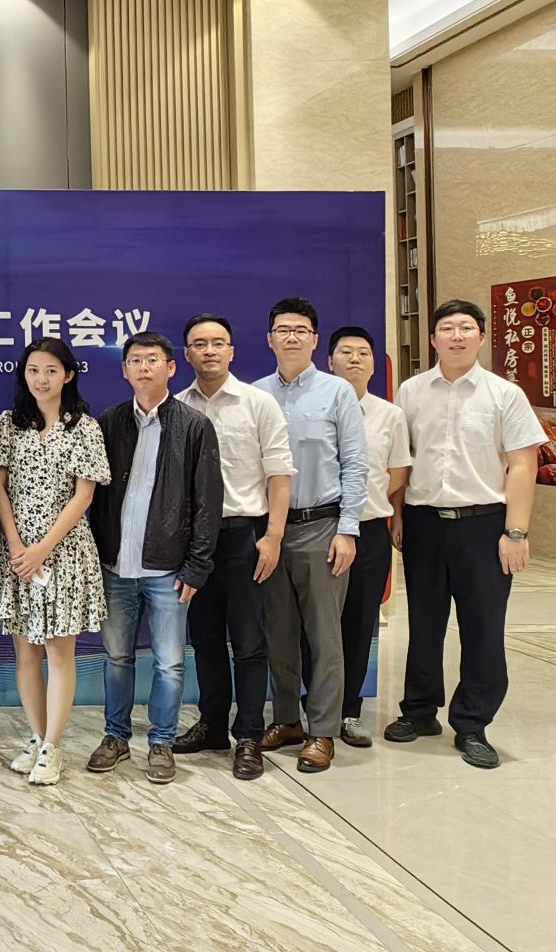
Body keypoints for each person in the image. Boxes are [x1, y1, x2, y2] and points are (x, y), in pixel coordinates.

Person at [386, 299, 544, 769]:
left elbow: (523, 464)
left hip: (484, 524)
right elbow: (402, 460)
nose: (457, 336)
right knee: (424, 621)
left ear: (482, 337)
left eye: (466, 328)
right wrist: (397, 514)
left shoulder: (504, 394)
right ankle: (419, 711)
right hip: (423, 522)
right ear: (433, 339)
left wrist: (516, 532)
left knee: (483, 627)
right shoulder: (411, 392)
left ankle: (473, 724)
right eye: (448, 328)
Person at [86, 331, 220, 785]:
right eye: (135, 361)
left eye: (152, 360)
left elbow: (207, 502)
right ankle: (115, 736)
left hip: (169, 570)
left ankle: (161, 742)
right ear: (124, 369)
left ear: (171, 367)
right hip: (115, 566)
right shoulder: (109, 422)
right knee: (116, 657)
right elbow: (93, 496)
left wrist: (197, 565)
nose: (143, 368)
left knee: (170, 662)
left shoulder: (194, 426)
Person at [0, 338, 110, 787]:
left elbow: (84, 495)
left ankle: (54, 747)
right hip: (16, 554)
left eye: (51, 370)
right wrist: (18, 544)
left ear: (68, 375)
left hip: (64, 553)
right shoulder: (9, 423)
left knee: (59, 651)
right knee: (25, 652)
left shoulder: (83, 427)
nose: (42, 378)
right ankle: (37, 739)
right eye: (34, 370)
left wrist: (42, 548)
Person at [172, 314, 293, 780]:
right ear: (186, 354)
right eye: (199, 343)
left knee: (249, 641)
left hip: (247, 535)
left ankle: (248, 736)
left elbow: (279, 474)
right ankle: (212, 725)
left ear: (232, 351)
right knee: (204, 638)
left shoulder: (259, 403)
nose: (209, 351)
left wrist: (273, 536)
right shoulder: (176, 407)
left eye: (218, 343)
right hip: (195, 543)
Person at [253, 297, 367, 774]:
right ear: (270, 339)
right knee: (277, 633)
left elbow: (356, 464)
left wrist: (348, 529)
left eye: (301, 330)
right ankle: (286, 720)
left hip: (322, 527)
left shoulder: (337, 392)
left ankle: (322, 730)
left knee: (324, 637)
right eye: (283, 329)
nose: (292, 337)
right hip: (270, 532)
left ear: (315, 340)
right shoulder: (256, 394)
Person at [327, 325, 411, 750]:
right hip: (320, 529)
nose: (355, 359)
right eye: (346, 352)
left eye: (363, 353)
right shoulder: (313, 408)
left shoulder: (389, 415)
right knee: (315, 622)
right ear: (329, 362)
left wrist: (378, 506)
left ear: (375, 365)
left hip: (369, 529)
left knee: (359, 623)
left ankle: (349, 710)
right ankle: (313, 706)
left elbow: (397, 473)